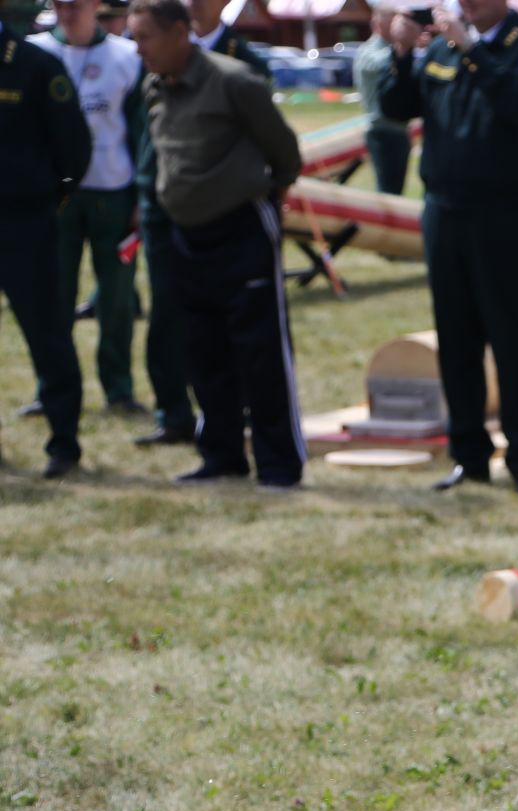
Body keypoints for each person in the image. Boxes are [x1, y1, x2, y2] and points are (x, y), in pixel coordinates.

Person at [379, 0, 518, 493]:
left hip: (502, 215)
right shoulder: (442, 47)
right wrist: (400, 52)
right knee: (456, 341)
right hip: (445, 210)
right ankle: (468, 455)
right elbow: (396, 107)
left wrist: (473, 49)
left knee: (510, 340)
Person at [131, 0, 304, 491]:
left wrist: (269, 189)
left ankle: (278, 464)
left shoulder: (234, 81)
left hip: (241, 228)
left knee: (260, 352)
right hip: (184, 234)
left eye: (144, 37)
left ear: (180, 33)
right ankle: (222, 454)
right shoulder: (153, 85)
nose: (137, 48)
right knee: (202, 351)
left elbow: (284, 151)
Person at [24, 0, 146, 428]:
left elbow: (141, 130)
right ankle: (50, 389)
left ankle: (119, 388)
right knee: (52, 297)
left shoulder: (126, 57)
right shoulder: (33, 52)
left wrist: (139, 198)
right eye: (60, 3)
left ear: (97, 5)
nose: (68, 11)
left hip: (112, 190)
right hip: (55, 197)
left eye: (76, 3)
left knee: (115, 298)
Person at [0, 13, 91, 479]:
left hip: (23, 225)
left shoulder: (35, 66)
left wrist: (46, 200)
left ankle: (64, 443)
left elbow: (74, 147)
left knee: (48, 335)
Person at [354, 5, 413, 194]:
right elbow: (380, 63)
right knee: (387, 191)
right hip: (382, 131)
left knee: (396, 191)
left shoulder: (391, 49)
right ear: (379, 21)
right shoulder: (368, 50)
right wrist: (404, 46)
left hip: (399, 130)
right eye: (394, 18)